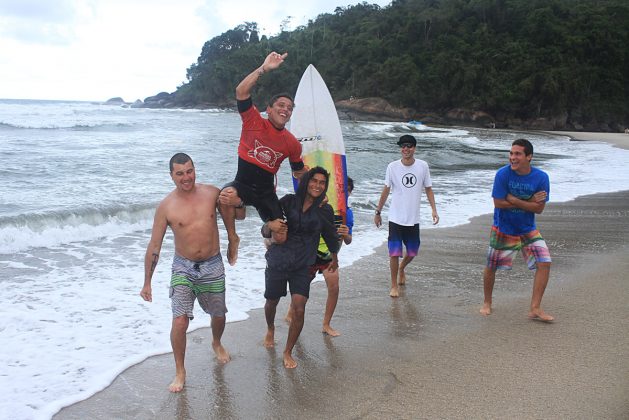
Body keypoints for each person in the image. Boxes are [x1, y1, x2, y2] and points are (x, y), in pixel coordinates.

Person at [140, 153, 230, 393]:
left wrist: (238, 201)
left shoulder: (212, 194)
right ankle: (180, 370)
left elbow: (237, 215)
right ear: (171, 176)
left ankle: (216, 342)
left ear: (194, 169)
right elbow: (155, 246)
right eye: (179, 173)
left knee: (218, 314)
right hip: (183, 268)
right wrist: (147, 281)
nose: (186, 177)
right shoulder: (166, 206)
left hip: (212, 264)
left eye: (189, 171)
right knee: (179, 321)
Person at [218, 51, 308, 266]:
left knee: (281, 234)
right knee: (225, 197)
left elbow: (298, 171)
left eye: (289, 108)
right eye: (281, 105)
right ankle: (233, 237)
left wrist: (314, 182)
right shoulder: (253, 121)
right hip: (242, 183)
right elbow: (241, 91)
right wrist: (264, 68)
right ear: (269, 109)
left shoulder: (292, 143)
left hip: (266, 193)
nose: (285, 109)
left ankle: (265, 229)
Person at [262, 167, 340, 368]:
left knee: (299, 308)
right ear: (306, 181)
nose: (317, 185)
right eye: (314, 180)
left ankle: (288, 351)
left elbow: (331, 237)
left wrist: (335, 255)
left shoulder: (325, 210)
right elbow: (267, 225)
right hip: (279, 260)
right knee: (271, 302)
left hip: (304, 264)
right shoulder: (288, 201)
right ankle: (270, 328)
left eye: (322, 183)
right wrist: (268, 227)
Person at [480, 139, 554, 322]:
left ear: (529, 157)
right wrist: (529, 201)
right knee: (491, 266)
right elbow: (498, 203)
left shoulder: (541, 178)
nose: (512, 157)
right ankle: (487, 303)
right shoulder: (502, 175)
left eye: (518, 154)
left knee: (544, 262)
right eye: (511, 153)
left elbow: (539, 208)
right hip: (504, 227)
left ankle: (535, 308)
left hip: (527, 228)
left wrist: (513, 200)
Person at [285, 177, 355, 337]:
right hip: (308, 254)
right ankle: (291, 312)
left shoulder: (346, 214)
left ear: (350, 193)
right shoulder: (316, 206)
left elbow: (349, 241)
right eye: (341, 190)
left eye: (347, 191)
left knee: (334, 287)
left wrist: (346, 235)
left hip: (328, 256)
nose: (343, 193)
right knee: (302, 291)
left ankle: (326, 324)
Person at [374, 135, 439, 298]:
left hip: (413, 218)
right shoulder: (392, 167)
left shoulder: (423, 166)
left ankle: (402, 268)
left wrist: (434, 209)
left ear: (414, 148)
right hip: (395, 218)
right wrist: (378, 212)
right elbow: (386, 190)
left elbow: (428, 188)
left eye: (409, 146)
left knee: (412, 251)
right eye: (403, 146)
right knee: (394, 252)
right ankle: (394, 285)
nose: (406, 149)